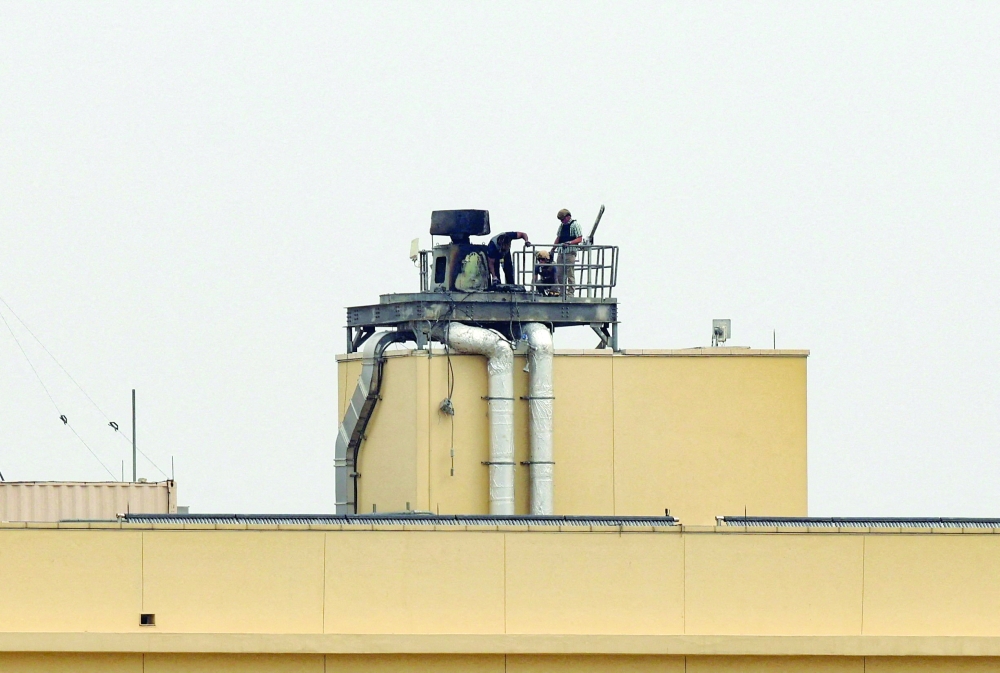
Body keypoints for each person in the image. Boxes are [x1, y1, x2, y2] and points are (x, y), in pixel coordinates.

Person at [553, 208, 583, 295]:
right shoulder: (562, 226)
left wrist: (570, 243)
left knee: (570, 273)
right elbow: (558, 238)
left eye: (563, 219)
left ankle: (570, 293)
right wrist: (553, 249)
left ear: (568, 216)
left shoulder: (575, 225)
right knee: (559, 274)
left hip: (570, 253)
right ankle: (562, 293)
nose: (562, 221)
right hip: (561, 252)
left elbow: (579, 238)